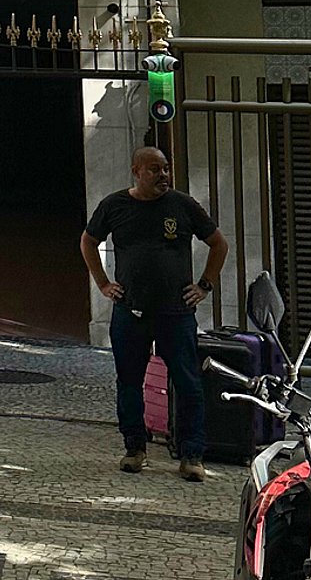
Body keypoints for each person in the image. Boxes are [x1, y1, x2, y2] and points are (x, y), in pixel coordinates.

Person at [82, 144, 228, 482]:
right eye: (154, 169)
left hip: (175, 313)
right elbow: (88, 241)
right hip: (130, 311)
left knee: (188, 382)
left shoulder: (183, 205)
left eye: (165, 168)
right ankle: (135, 448)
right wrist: (103, 284)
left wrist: (204, 285)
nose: (163, 175)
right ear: (136, 172)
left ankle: (192, 455)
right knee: (129, 382)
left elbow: (218, 243)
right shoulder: (114, 205)